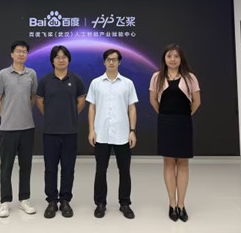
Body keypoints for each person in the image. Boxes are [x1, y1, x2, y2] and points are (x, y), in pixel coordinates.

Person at [149, 44, 201, 223]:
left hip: (184, 122)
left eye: (176, 56)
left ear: (181, 59)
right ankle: (172, 204)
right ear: (164, 58)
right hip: (166, 122)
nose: (172, 59)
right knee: (169, 162)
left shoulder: (190, 77)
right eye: (169, 56)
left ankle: (181, 204)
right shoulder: (157, 77)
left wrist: (185, 116)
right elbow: (153, 100)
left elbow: (197, 101)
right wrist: (165, 116)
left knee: (183, 163)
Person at [86, 48, 138, 219]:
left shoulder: (127, 83)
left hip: (123, 134)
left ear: (119, 62)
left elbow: (132, 108)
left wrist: (132, 131)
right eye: (108, 59)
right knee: (101, 170)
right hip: (101, 134)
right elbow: (92, 107)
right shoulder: (96, 83)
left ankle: (125, 203)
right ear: (104, 62)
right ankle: (100, 203)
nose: (111, 62)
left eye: (114, 59)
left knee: (125, 170)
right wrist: (91, 130)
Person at [36, 45, 86, 218]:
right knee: (50, 168)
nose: (61, 59)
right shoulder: (45, 80)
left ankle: (65, 200)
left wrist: (69, 115)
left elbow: (81, 101)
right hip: (50, 132)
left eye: (64, 56)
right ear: (52, 60)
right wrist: (51, 115)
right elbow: (40, 102)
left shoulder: (76, 80)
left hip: (70, 131)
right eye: (57, 57)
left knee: (68, 168)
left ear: (69, 60)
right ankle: (51, 201)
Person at [0, 40, 38, 218]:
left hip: (27, 128)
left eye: (24, 51)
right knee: (6, 167)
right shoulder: (3, 74)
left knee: (26, 166)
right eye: (18, 51)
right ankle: (4, 202)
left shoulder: (31, 74)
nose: (21, 54)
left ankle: (24, 199)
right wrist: (5, 115)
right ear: (12, 54)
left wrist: (24, 111)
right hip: (7, 129)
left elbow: (33, 97)